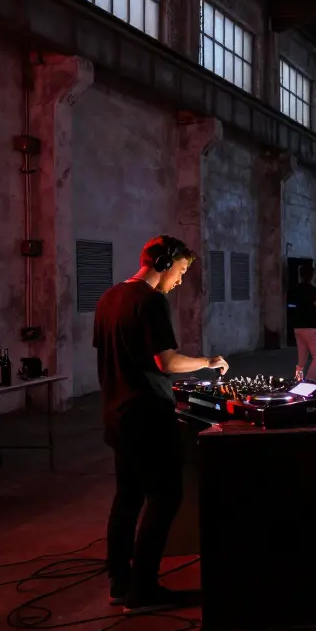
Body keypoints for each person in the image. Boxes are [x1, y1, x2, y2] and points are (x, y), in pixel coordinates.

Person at [95, 235, 228, 609]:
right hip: (147, 416)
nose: (181, 280)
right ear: (164, 262)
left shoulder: (108, 298)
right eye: (182, 270)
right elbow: (166, 363)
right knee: (165, 497)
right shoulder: (151, 301)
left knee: (127, 499)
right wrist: (208, 361)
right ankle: (143, 591)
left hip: (117, 413)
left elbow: (113, 358)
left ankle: (119, 583)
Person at [288, 265, 316, 381]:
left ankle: (298, 379)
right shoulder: (312, 290)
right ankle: (309, 380)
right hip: (310, 327)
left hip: (298, 326)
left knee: (302, 358)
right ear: (311, 275)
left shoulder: (295, 288)